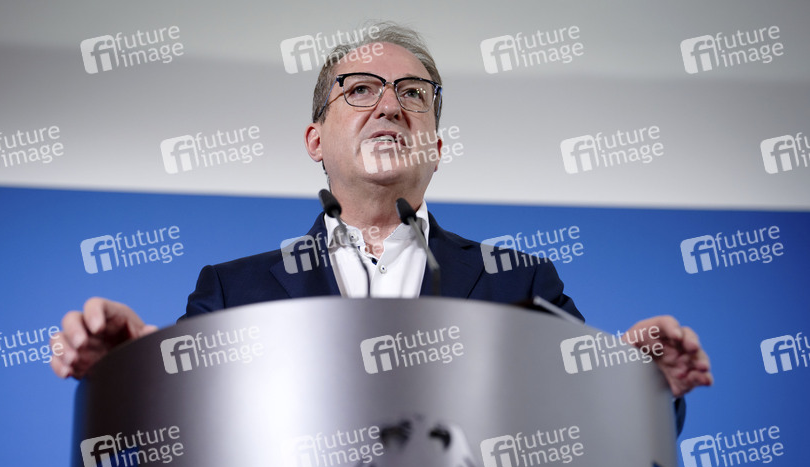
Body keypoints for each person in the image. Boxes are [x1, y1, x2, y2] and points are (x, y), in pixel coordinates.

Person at [50, 23, 712, 402]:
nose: (391, 106)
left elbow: (587, 410)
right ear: (316, 139)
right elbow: (181, 419)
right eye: (361, 90)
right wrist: (130, 370)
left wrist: (641, 386)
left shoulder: (519, 281)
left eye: (413, 94)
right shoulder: (232, 289)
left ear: (437, 148)